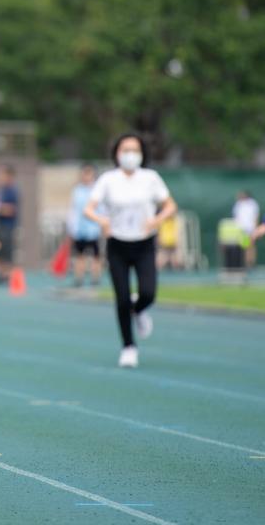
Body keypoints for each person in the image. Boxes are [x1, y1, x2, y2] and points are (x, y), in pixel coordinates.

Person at [84, 133, 177, 369]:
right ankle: (128, 347)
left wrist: (156, 220)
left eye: (135, 150)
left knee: (148, 292)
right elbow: (89, 208)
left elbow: (170, 205)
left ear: (142, 153)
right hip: (117, 243)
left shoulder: (150, 178)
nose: (130, 154)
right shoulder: (108, 179)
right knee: (122, 297)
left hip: (144, 242)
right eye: (125, 150)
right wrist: (102, 221)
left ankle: (140, 309)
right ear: (117, 153)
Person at [68, 164, 102, 286]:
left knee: (96, 255)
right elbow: (73, 209)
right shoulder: (77, 191)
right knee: (79, 255)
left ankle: (95, 278)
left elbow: (101, 209)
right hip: (80, 230)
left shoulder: (97, 190)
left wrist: (101, 223)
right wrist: (71, 227)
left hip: (93, 229)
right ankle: (79, 278)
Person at [0, 164, 19, 284]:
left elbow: (11, 210)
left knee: (7, 250)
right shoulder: (1, 190)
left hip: (8, 226)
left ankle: (7, 274)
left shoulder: (12, 191)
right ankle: (1, 273)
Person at [233, 190, 259, 267]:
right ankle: (244, 262)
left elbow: (256, 216)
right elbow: (236, 216)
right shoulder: (238, 204)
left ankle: (251, 262)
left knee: (251, 246)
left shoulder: (252, 203)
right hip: (241, 229)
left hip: (250, 228)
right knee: (244, 245)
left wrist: (255, 228)